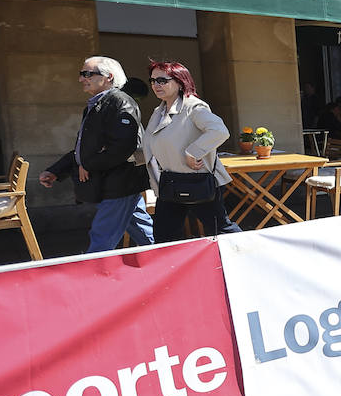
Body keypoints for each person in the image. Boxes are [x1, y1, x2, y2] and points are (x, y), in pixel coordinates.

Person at [39, 56, 153, 252]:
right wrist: (57, 170)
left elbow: (123, 147)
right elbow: (84, 149)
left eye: (87, 74)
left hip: (119, 183)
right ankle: (171, 264)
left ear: (108, 77)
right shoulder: (96, 105)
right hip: (117, 182)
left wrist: (89, 164)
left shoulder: (120, 102)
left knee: (101, 239)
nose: (81, 79)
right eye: (81, 74)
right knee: (145, 234)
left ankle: (93, 277)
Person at [142, 60, 242, 241]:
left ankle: (247, 259)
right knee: (164, 235)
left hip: (198, 180)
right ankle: (173, 269)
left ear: (180, 82)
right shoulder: (159, 111)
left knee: (221, 231)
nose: (156, 85)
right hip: (170, 182)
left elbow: (219, 131)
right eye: (153, 80)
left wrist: (193, 152)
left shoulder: (194, 107)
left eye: (162, 80)